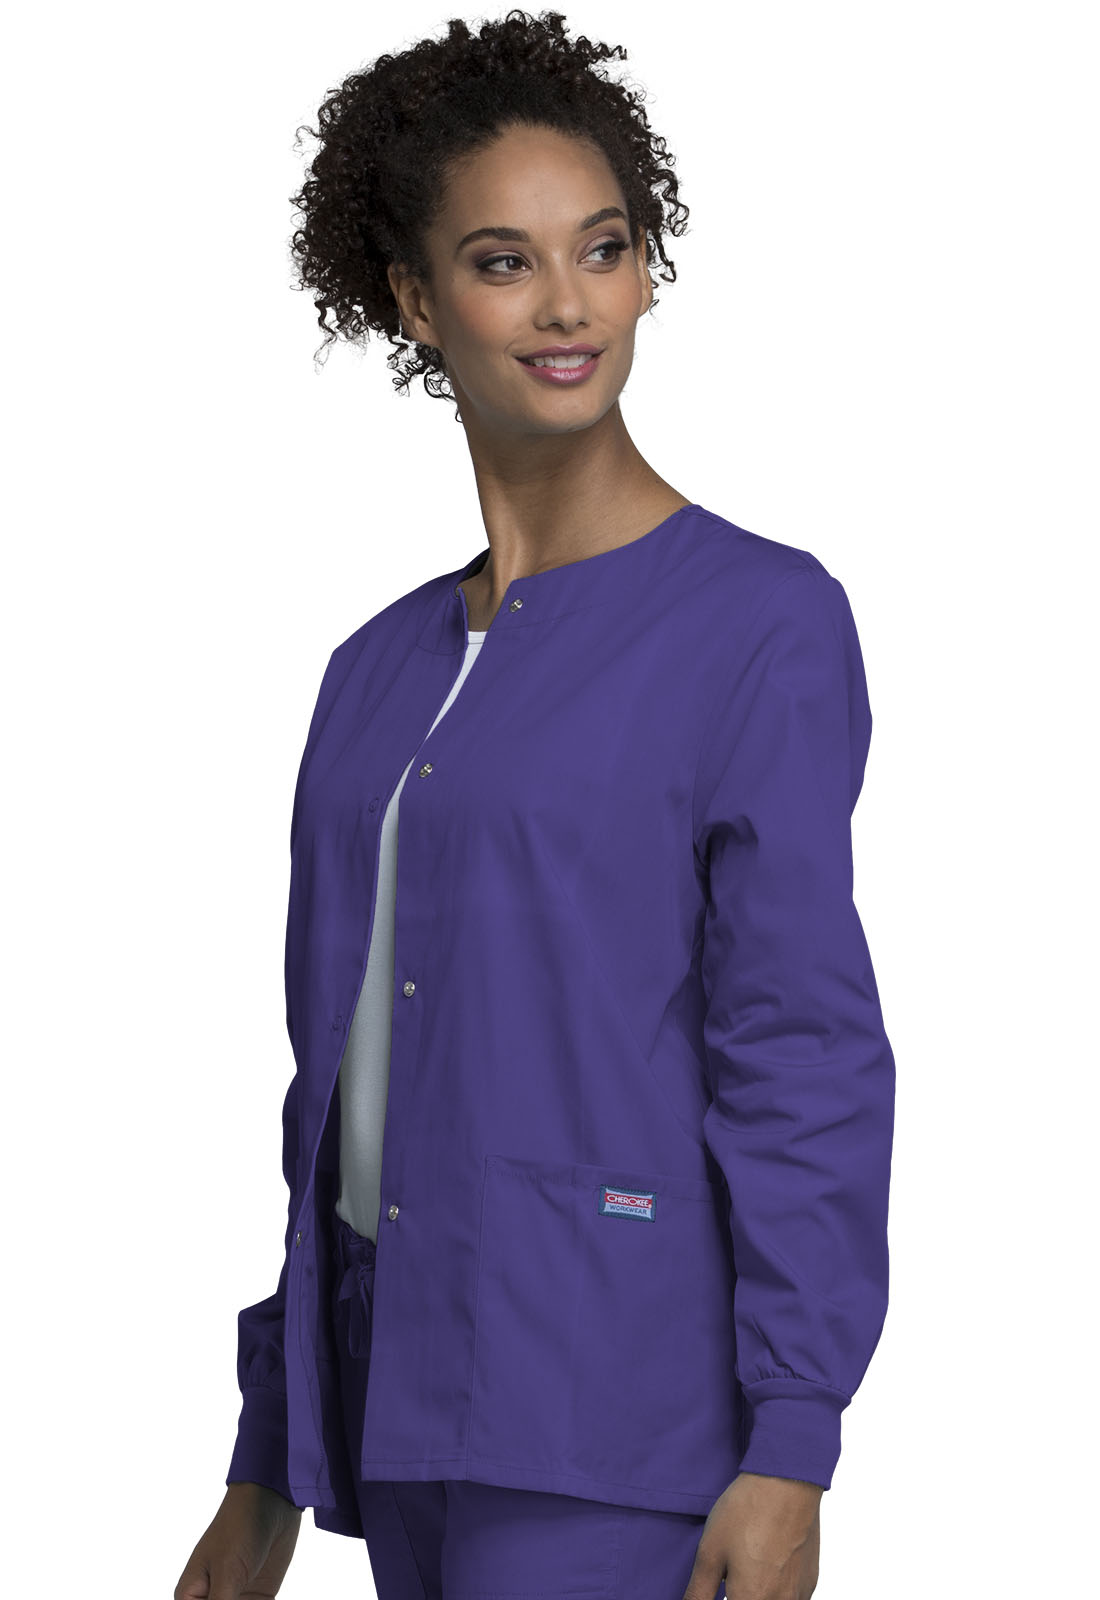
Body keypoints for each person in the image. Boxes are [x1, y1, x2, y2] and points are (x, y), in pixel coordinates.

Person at [173, 10, 896, 1600]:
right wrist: (268, 1455)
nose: (569, 305)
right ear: (415, 300)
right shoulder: (375, 672)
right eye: (504, 263)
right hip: (390, 1406)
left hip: (615, 1419)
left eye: (604, 249)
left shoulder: (759, 624)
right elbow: (331, 1086)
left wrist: (794, 1439)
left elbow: (799, 1045)